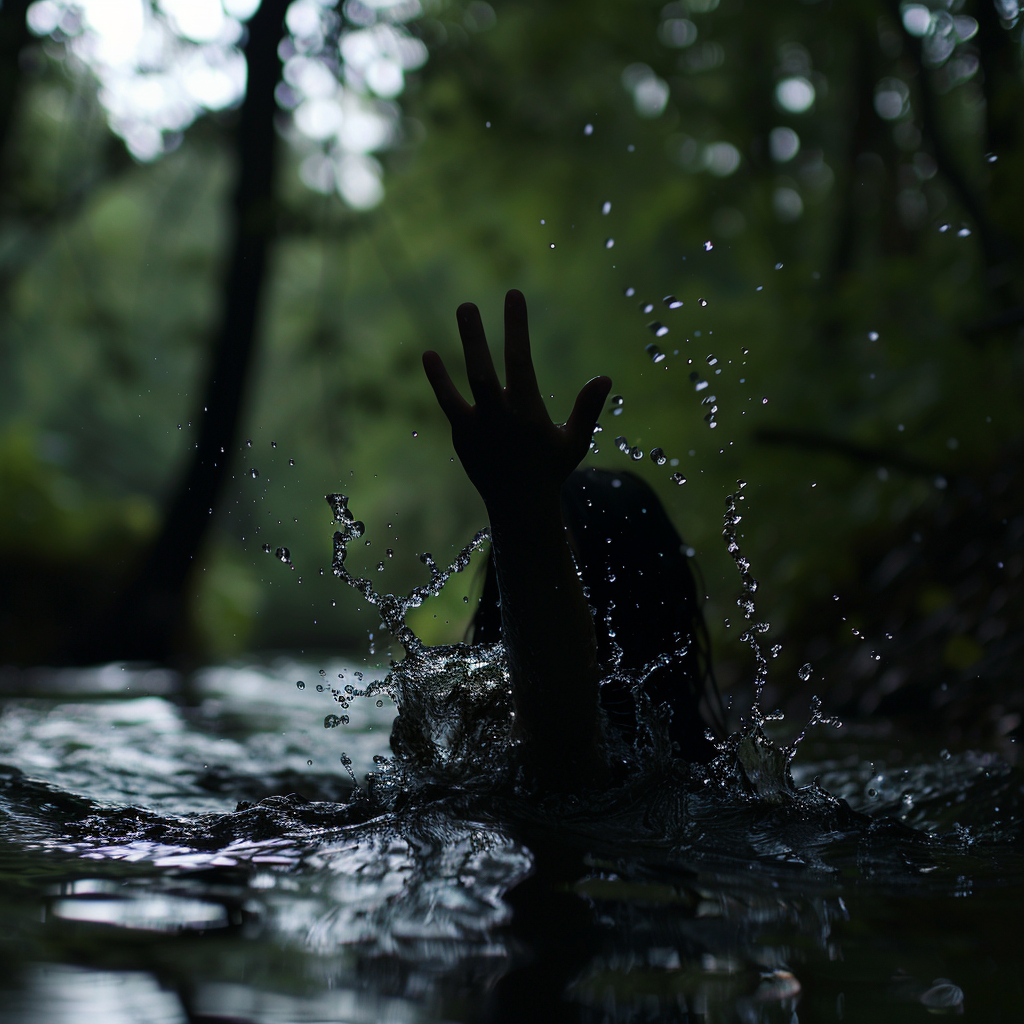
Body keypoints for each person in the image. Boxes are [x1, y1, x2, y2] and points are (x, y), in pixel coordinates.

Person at [422, 290, 722, 790]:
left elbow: (562, 747)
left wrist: (521, 514)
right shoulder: (716, 781)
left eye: (574, 576)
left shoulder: (618, 777)